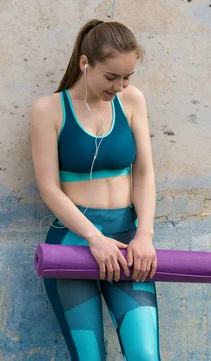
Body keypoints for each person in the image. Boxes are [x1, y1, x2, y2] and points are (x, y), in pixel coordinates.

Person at [30, 19, 161, 361]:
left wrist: (144, 235)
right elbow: (50, 189)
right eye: (111, 76)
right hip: (74, 243)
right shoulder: (49, 110)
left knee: (145, 355)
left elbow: (144, 173)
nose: (120, 86)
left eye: (127, 77)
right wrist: (94, 239)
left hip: (129, 243)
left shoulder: (132, 100)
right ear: (85, 63)